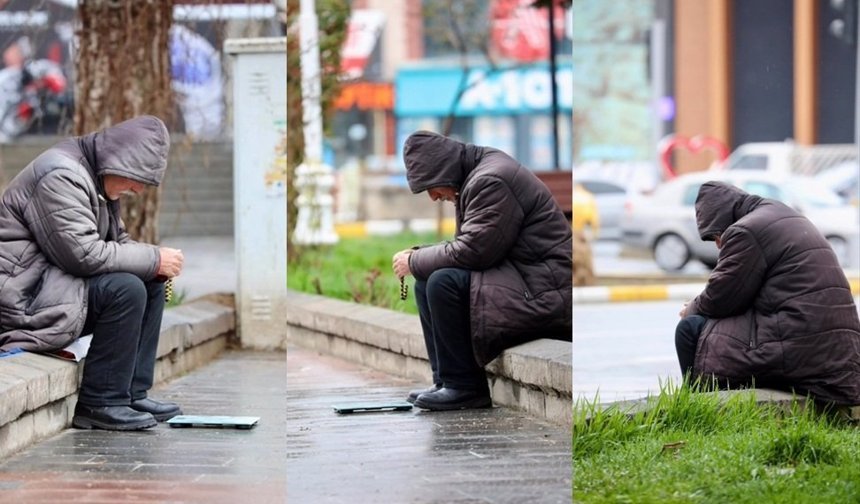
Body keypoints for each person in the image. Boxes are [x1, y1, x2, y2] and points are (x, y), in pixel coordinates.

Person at [0, 115, 186, 430]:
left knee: (151, 281)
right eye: (135, 177)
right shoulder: (60, 175)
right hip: (26, 301)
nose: (138, 189)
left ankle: (130, 393)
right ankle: (100, 401)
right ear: (118, 161)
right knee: (125, 288)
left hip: (55, 289)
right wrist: (154, 257)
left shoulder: (97, 179)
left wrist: (156, 265)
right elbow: (82, 256)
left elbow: (118, 244)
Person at [392, 131, 572, 411]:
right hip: (522, 277)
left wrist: (415, 261)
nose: (433, 197)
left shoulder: (490, 180)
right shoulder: (477, 175)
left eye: (432, 186)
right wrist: (419, 258)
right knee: (427, 280)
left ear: (445, 170)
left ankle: (464, 386)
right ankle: (445, 381)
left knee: (442, 282)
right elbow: (474, 245)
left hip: (543, 290)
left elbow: (475, 251)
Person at [675, 181, 860, 404]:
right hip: (839, 356)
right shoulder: (782, 214)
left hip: (801, 348)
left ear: (724, 220)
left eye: (716, 236)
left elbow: (720, 298)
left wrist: (690, 308)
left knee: (690, 329)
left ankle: (698, 408)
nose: (717, 245)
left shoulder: (746, 230)